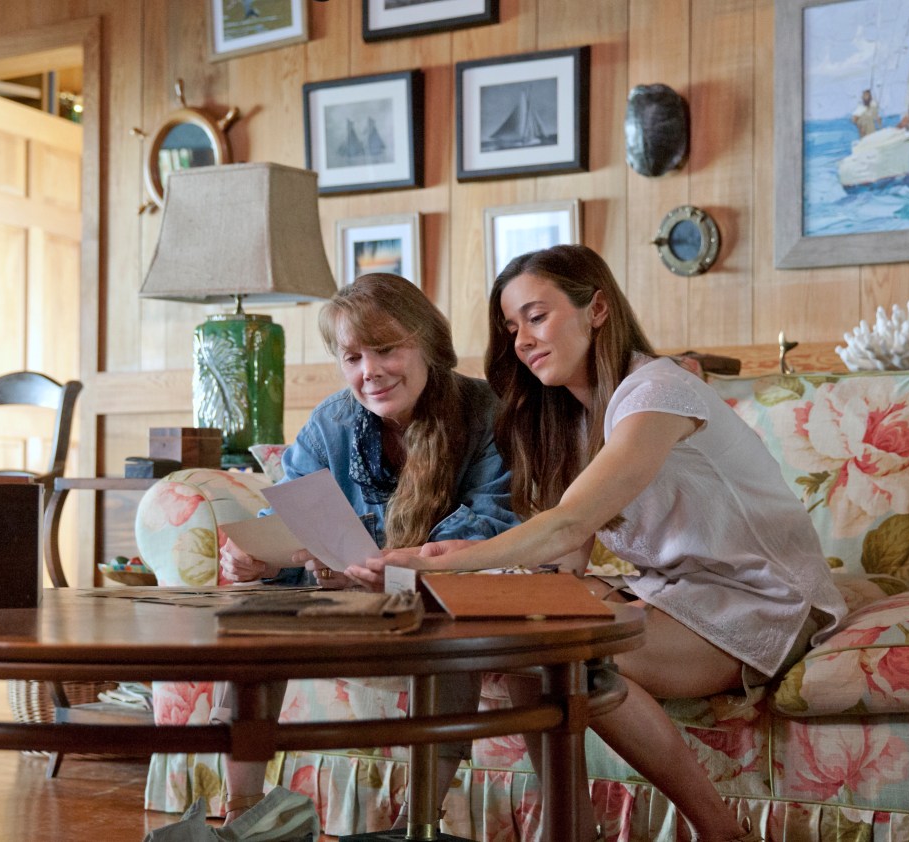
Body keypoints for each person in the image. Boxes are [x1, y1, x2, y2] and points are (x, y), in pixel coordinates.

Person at [348, 245, 847, 842]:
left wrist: (442, 560)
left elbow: (565, 522)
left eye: (537, 316)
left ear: (598, 308)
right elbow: (566, 555)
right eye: (511, 328)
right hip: (675, 594)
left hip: (763, 599)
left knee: (566, 652)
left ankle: (720, 832)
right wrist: (496, 591)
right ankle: (569, 830)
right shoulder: (572, 417)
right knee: (525, 639)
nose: (523, 340)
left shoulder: (658, 392)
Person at [216, 272, 521, 831]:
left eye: (386, 350)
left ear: (428, 343)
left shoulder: (486, 412)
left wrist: (392, 566)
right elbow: (288, 515)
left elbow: (490, 520)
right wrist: (258, 557)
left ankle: (418, 823)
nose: (369, 372)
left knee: (445, 624)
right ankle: (242, 819)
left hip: (431, 596)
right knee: (250, 621)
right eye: (353, 357)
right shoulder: (331, 422)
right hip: (343, 606)